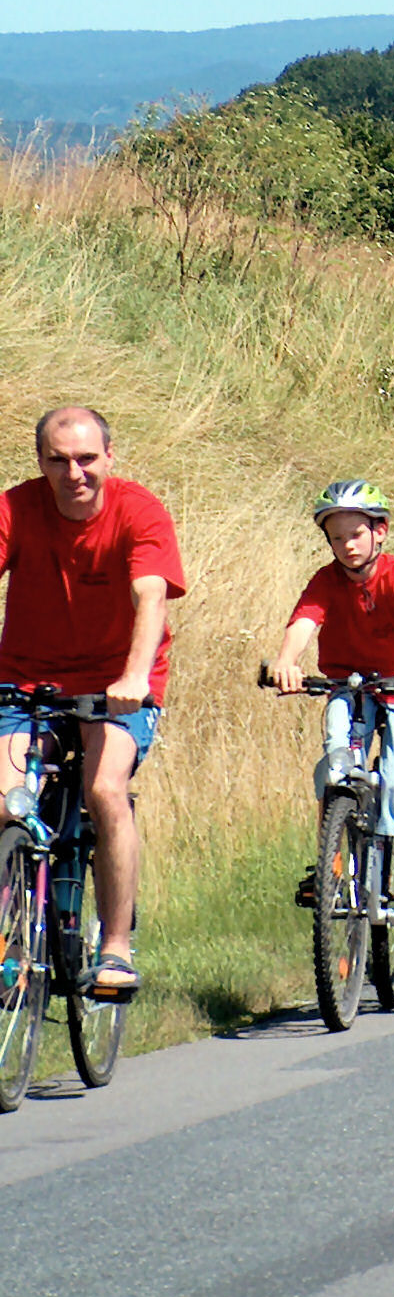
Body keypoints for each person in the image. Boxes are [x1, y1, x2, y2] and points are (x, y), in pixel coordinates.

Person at [0, 407, 186, 1001]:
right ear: (40, 463)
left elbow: (150, 595)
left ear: (109, 457)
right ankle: (15, 934)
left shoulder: (139, 510)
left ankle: (116, 948)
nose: (74, 473)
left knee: (105, 789)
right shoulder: (16, 508)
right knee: (6, 803)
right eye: (58, 460)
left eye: (86, 459)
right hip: (26, 682)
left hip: (115, 685)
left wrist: (133, 675)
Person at [267, 481, 394, 955]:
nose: (347, 545)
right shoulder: (326, 580)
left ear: (380, 532)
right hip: (348, 682)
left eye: (356, 534)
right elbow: (304, 621)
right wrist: (287, 661)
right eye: (337, 538)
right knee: (335, 767)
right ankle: (330, 863)